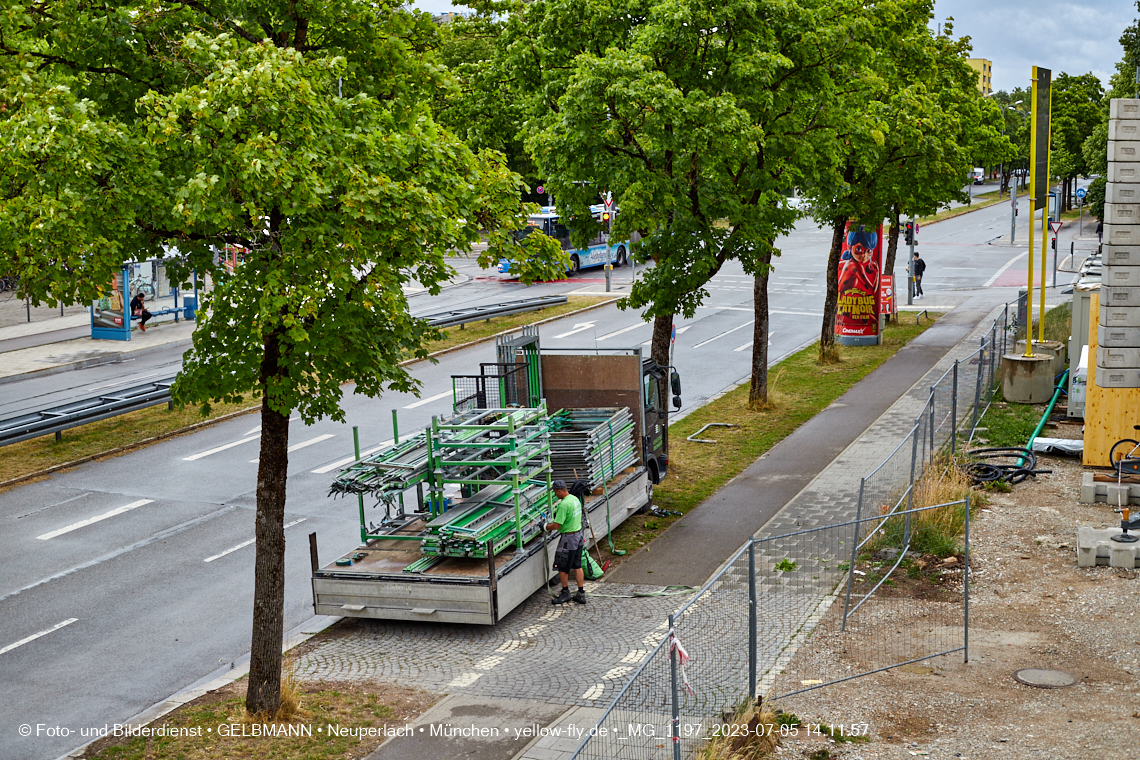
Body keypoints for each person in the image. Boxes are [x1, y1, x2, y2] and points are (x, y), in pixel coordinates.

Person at [545, 479, 586, 605]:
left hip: (568, 539)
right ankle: (580, 593)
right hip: (578, 535)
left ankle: (565, 592)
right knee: (577, 565)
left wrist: (546, 526)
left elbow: (557, 525)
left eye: (555, 492)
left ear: (559, 491)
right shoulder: (574, 499)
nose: (555, 495)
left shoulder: (563, 505)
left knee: (562, 566)